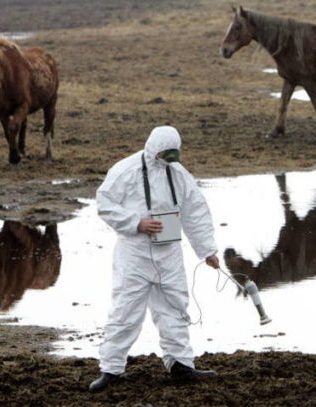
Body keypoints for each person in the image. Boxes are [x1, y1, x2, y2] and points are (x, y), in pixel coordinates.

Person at [89, 126, 220, 393]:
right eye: (165, 155)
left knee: (175, 307)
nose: (169, 161)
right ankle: (111, 369)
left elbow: (195, 211)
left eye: (174, 155)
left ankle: (181, 364)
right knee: (125, 310)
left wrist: (207, 250)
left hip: (169, 252)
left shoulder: (179, 173)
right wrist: (136, 223)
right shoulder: (126, 170)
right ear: (154, 150)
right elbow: (104, 203)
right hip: (134, 253)